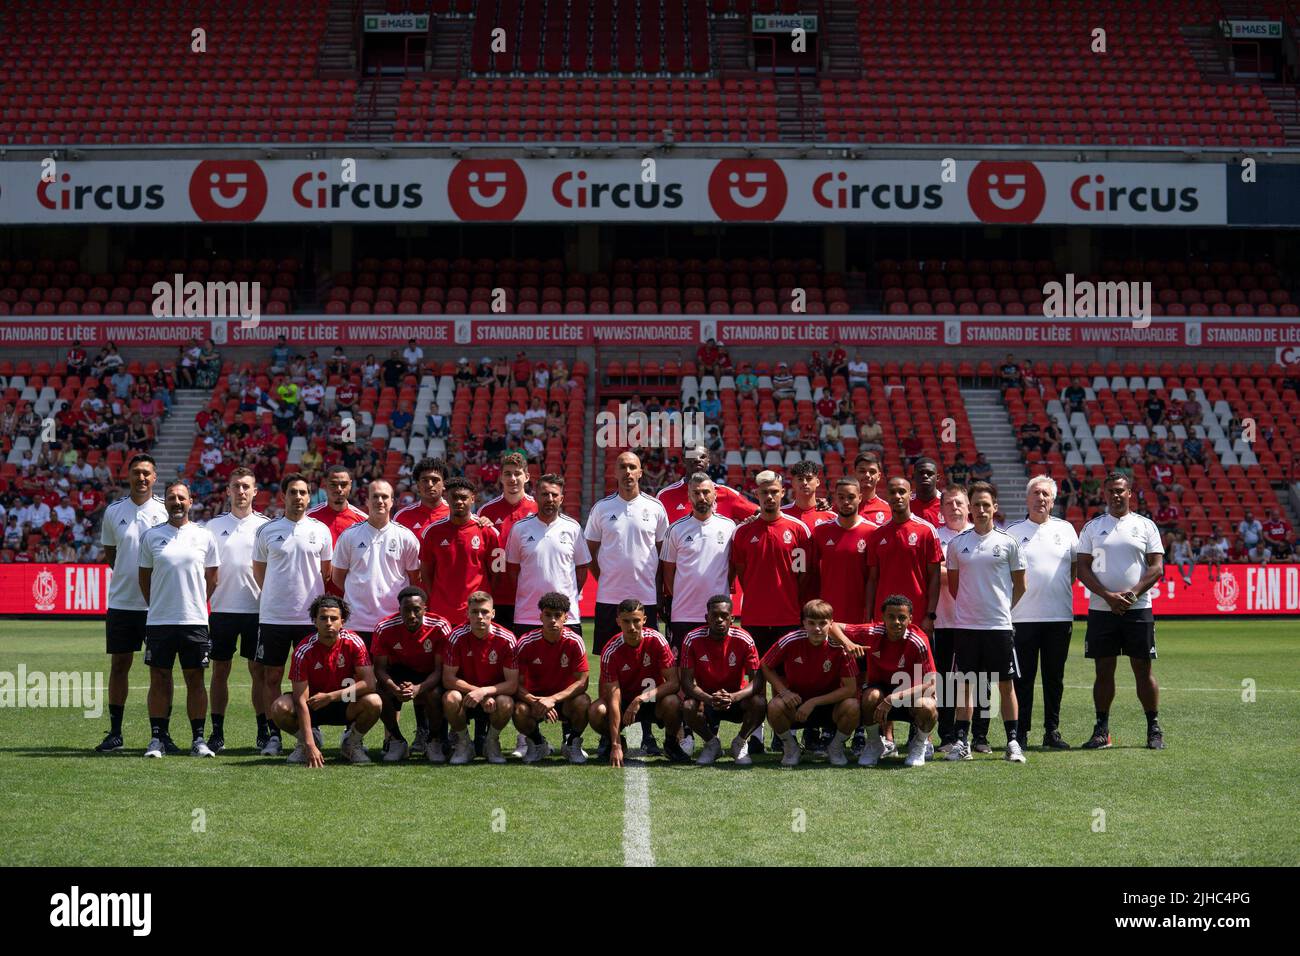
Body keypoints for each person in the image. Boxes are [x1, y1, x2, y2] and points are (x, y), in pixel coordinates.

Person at [1075, 472, 1166, 750]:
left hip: (1138, 609)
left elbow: (1156, 568)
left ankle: (1153, 727)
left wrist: (1131, 594)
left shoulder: (1146, 526)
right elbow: (1082, 568)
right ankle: (1102, 730)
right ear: (1104, 494)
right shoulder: (1092, 528)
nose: (1116, 495)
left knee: (1142, 668)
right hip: (1102, 609)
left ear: (1130, 493)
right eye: (1111, 491)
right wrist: (1107, 596)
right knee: (1104, 670)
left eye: (1120, 490)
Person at [944, 481, 1028, 763]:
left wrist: (1001, 609)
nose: (981, 510)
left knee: (1006, 685)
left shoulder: (1008, 543)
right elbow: (955, 588)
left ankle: (1013, 742)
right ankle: (962, 742)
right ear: (970, 508)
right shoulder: (957, 545)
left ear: (995, 508)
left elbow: (1021, 586)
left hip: (999, 627)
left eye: (986, 504)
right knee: (965, 685)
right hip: (966, 627)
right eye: (976, 505)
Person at [137, 480, 221, 758]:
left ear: (190, 501)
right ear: (165, 502)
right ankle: (157, 739)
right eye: (171, 498)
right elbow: (144, 579)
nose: (176, 502)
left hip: (194, 621)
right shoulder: (151, 537)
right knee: (159, 678)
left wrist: (193, 602)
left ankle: (198, 740)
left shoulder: (205, 535)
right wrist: (161, 605)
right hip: (159, 621)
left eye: (181, 498)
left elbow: (213, 579)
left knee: (195, 679)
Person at [251, 475, 334, 755]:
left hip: (309, 620)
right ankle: (274, 735)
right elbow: (259, 572)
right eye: (293, 492)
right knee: (271, 677)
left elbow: (327, 572)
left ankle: (311, 729)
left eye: (303, 492)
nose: (298, 497)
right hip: (274, 617)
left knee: (312, 678)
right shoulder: (267, 530)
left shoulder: (321, 530)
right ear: (283, 496)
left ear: (309, 497)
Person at [93, 454, 168, 753]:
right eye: (137, 472)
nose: (142, 478)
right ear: (128, 475)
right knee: (119, 665)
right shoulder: (114, 512)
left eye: (147, 473)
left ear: (155, 477)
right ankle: (115, 733)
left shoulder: (165, 510)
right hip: (123, 603)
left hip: (157, 605)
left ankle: (159, 734)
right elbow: (112, 554)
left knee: (159, 670)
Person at [1006, 476, 1079, 750]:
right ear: (1027, 498)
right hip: (1022, 618)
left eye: (1046, 494)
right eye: (1036, 493)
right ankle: (1020, 733)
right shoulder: (1012, 532)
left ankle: (1052, 731)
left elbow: (1073, 570)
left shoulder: (1067, 530)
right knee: (1022, 680)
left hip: (1058, 617)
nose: (1041, 498)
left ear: (1053, 500)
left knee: (1054, 679)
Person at [202, 468, 270, 753]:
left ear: (255, 491)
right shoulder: (212, 527)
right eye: (236, 487)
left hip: (257, 610)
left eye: (246, 487)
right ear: (228, 491)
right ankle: (217, 733)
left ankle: (263, 732)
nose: (241, 492)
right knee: (220, 670)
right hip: (222, 610)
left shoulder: (267, 527)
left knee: (259, 672)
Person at [271, 595, 382, 766]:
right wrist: (309, 744)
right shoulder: (303, 650)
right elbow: (301, 700)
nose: (328, 622)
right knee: (279, 707)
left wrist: (331, 696)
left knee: (374, 702)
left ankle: (351, 744)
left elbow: (370, 683)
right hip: (313, 705)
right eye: (323, 618)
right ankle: (306, 741)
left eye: (333, 618)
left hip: (346, 702)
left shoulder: (354, 643)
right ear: (314, 621)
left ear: (342, 621)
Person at [840, 594, 939, 768]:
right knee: (870, 696)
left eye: (902, 617)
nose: (896, 622)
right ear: (883, 618)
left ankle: (919, 745)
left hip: (910, 695)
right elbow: (834, 626)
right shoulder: (873, 632)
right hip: (880, 692)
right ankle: (874, 744)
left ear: (910, 619)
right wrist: (848, 643)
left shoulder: (919, 640)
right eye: (891, 617)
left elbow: (931, 683)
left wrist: (893, 698)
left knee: (928, 706)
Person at [584, 452, 669, 653]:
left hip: (645, 597)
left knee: (647, 657)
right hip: (609, 597)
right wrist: (604, 577)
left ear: (640, 472)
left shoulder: (655, 508)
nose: (627, 472)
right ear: (615, 472)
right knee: (608, 658)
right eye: (622, 467)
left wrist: (659, 590)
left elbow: (664, 555)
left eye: (632, 467)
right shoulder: (601, 508)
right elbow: (589, 553)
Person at [763, 600, 860, 767]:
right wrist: (785, 693)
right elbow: (765, 664)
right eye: (811, 623)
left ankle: (835, 747)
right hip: (796, 706)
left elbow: (851, 689)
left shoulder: (840, 647)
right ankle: (791, 748)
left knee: (853, 706)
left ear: (831, 624)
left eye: (822, 623)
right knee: (774, 706)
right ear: (804, 623)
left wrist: (813, 702)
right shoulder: (791, 640)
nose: (817, 628)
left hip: (830, 708)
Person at [591, 599, 686, 765]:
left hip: (651, 700)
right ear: (618, 621)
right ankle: (615, 741)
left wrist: (641, 698)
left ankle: (671, 744)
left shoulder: (657, 640)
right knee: (596, 711)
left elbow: (673, 683)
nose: (632, 627)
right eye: (626, 621)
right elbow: (614, 697)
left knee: (673, 701)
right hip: (623, 703)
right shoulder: (610, 650)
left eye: (636, 620)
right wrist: (616, 744)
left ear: (644, 620)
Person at [331, 479, 422, 648]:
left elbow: (415, 579)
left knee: (391, 674)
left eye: (384, 497)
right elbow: (337, 578)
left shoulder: (406, 537)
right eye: (375, 496)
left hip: (394, 621)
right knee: (357, 674)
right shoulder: (349, 536)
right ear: (367, 501)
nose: (380, 501)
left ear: (392, 502)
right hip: (356, 622)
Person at [679, 595, 765, 766]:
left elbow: (757, 681)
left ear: (732, 618)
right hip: (707, 699)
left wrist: (733, 697)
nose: (719, 620)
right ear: (706, 618)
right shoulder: (692, 639)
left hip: (735, 699)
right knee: (688, 706)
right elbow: (687, 682)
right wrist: (708, 698)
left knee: (760, 703)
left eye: (724, 616)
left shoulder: (744, 639)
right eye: (714, 615)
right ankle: (712, 745)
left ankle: (739, 743)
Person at [371, 586, 452, 762]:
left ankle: (433, 741)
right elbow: (380, 669)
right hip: (399, 672)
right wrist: (394, 688)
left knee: (436, 694)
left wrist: (418, 688)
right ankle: (397, 740)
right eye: (406, 610)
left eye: (416, 610)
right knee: (380, 691)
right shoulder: (384, 627)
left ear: (425, 609)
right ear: (398, 609)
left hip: (429, 674)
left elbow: (440, 670)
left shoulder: (440, 626)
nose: (411, 615)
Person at [504, 474, 590, 638]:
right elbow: (512, 570)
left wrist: (568, 596)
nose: (550, 499)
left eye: (554, 495)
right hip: (528, 616)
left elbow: (582, 568)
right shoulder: (520, 529)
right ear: (536, 497)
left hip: (566, 617)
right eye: (545, 494)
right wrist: (528, 592)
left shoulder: (573, 528)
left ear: (562, 498)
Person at [512, 592, 591, 763]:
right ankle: (538, 744)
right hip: (536, 701)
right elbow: (515, 684)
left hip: (565, 700)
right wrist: (536, 701)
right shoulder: (526, 643)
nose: (552, 620)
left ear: (566, 617)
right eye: (548, 615)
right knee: (519, 710)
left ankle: (571, 744)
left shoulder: (574, 641)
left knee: (583, 702)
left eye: (557, 615)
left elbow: (582, 682)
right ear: (540, 616)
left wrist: (553, 699)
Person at [442, 591, 520, 764]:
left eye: (485, 612)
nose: (480, 617)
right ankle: (464, 744)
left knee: (506, 702)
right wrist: (478, 693)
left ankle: (491, 743)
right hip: (465, 695)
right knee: (450, 698)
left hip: (495, 697)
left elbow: (512, 684)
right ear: (467, 613)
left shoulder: (507, 639)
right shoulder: (456, 637)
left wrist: (485, 692)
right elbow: (448, 679)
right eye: (474, 612)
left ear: (493, 613)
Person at [420, 476, 499, 626]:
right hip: (441, 613)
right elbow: (425, 572)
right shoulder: (433, 532)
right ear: (446, 498)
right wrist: (436, 597)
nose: (459, 502)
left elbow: (496, 574)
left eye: (463, 497)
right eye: (454, 497)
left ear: (473, 499)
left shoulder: (488, 531)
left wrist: (484, 600)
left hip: (476, 613)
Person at [865, 477, 941, 629]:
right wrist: (868, 617)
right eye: (892, 492)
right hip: (884, 616)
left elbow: (935, 576)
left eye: (902, 492)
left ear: (910, 495)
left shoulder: (926, 530)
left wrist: (930, 614)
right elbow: (872, 580)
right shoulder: (877, 535)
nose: (897, 496)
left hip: (917, 616)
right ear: (887, 496)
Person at [478, 452, 538, 633]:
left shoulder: (538, 508)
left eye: (517, 473)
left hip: (529, 598)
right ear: (501, 478)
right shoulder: (486, 511)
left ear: (526, 477)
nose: (513, 479)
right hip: (497, 598)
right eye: (508, 474)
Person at [306, 466, 368, 595]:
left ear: (350, 485)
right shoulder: (309, 518)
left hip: (351, 597)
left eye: (343, 484)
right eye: (333, 485)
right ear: (325, 485)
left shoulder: (363, 521)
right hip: (316, 595)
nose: (339, 489)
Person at [657, 445, 758, 522]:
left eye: (702, 457)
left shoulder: (727, 494)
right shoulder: (664, 496)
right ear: (683, 460)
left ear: (708, 462)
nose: (698, 459)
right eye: (693, 456)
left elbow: (759, 513)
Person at [782, 459, 835, 528]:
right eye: (800, 479)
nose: (804, 483)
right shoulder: (781, 514)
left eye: (809, 478)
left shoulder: (832, 517)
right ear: (793, 483)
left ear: (817, 482)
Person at [853, 452, 890, 526]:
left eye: (872, 472)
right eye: (862, 471)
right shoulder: (840, 508)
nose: (867, 475)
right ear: (854, 473)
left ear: (879, 476)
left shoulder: (888, 511)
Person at [910, 458, 944, 529]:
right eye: (921, 473)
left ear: (937, 478)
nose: (925, 476)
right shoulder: (906, 504)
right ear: (913, 477)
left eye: (930, 473)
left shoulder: (947, 503)